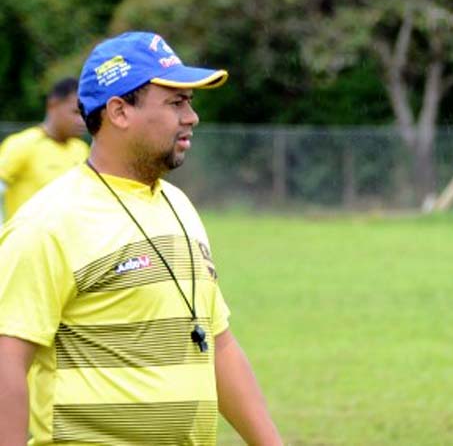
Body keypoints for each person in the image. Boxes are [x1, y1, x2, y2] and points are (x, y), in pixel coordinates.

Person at [0, 31, 282, 445]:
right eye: (175, 102)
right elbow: (7, 360)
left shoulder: (179, 206)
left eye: (190, 102)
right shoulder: (49, 222)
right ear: (119, 112)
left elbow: (218, 345)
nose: (191, 117)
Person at [0, 77, 88, 224]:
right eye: (75, 112)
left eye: (85, 114)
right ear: (52, 105)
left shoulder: (82, 149)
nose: (82, 121)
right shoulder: (22, 144)